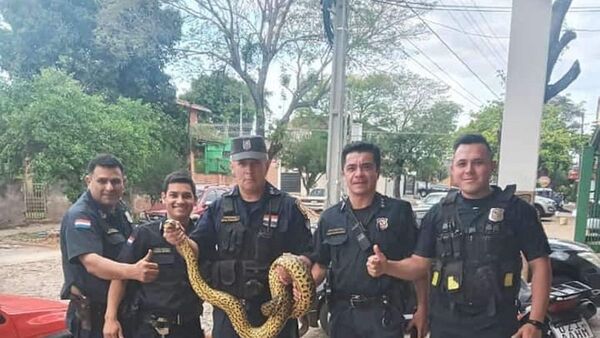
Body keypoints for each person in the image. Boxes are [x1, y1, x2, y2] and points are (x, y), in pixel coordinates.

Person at [367, 134, 552, 338]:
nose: (469, 170)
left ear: (492, 165)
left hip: (499, 326)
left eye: (478, 163)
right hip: (446, 326)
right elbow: (419, 265)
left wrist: (535, 321)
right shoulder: (437, 214)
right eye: (462, 164)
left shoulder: (518, 211)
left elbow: (540, 265)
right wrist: (387, 267)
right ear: (452, 170)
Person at [164, 135, 313, 338]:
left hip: (277, 314)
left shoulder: (289, 207)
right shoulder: (218, 208)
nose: (249, 170)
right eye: (242, 163)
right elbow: (198, 246)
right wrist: (181, 240)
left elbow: (310, 254)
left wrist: (294, 267)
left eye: (255, 163)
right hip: (229, 315)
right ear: (232, 166)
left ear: (267, 164)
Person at [310, 141, 429, 338]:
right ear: (343, 174)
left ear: (377, 172)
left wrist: (423, 308)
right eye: (351, 168)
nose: (359, 174)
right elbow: (320, 266)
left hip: (385, 316)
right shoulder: (330, 218)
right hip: (342, 317)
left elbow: (419, 268)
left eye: (366, 167)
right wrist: (297, 292)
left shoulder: (399, 212)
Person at [60, 154, 159, 338]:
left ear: (124, 183)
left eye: (115, 181)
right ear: (88, 181)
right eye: (102, 181)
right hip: (93, 317)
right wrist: (133, 271)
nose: (109, 187)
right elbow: (92, 263)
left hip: (122, 309)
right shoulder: (81, 215)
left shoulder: (119, 210)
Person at [103, 171, 206, 338]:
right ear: (164, 198)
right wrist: (110, 318)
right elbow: (120, 276)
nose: (180, 201)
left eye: (186, 196)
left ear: (194, 200)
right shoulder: (144, 234)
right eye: (174, 195)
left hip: (188, 327)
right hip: (149, 328)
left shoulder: (201, 235)